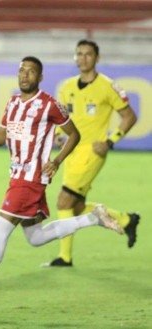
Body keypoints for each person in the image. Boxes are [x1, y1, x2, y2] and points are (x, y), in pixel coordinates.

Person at [0, 56, 123, 307]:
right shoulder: (13, 102)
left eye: (31, 71)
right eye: (21, 70)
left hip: (31, 179)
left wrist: (56, 162)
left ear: (40, 77)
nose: (25, 75)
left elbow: (74, 134)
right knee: (35, 237)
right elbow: (1, 136)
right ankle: (93, 217)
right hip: (17, 177)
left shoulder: (49, 105)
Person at [46, 39, 140, 267]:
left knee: (63, 201)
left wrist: (110, 141)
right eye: (79, 54)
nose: (83, 58)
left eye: (88, 54)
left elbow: (130, 116)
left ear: (97, 58)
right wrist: (59, 135)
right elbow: (63, 119)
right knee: (76, 207)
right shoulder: (66, 86)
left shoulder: (108, 86)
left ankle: (65, 257)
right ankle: (125, 219)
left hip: (92, 152)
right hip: (72, 152)